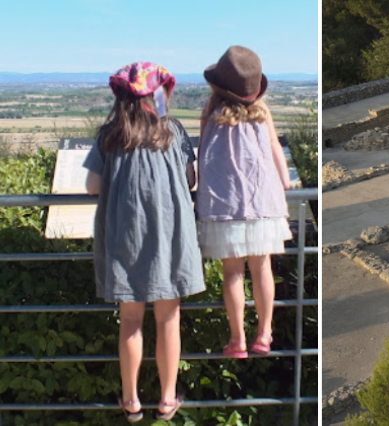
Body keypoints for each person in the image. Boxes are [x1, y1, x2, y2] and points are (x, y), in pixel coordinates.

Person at [84, 62, 205, 422]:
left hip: (126, 238)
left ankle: (131, 399)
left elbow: (92, 186)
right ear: (160, 94)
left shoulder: (110, 134)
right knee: (169, 319)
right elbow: (191, 179)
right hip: (170, 237)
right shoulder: (173, 131)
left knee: (131, 322)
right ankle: (167, 399)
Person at [196, 46, 292, 359]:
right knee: (262, 267)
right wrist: (286, 181)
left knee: (232, 273)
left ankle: (237, 339)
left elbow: (203, 156)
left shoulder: (210, 113)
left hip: (224, 203)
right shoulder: (263, 113)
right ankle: (264, 333)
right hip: (262, 198)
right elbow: (276, 148)